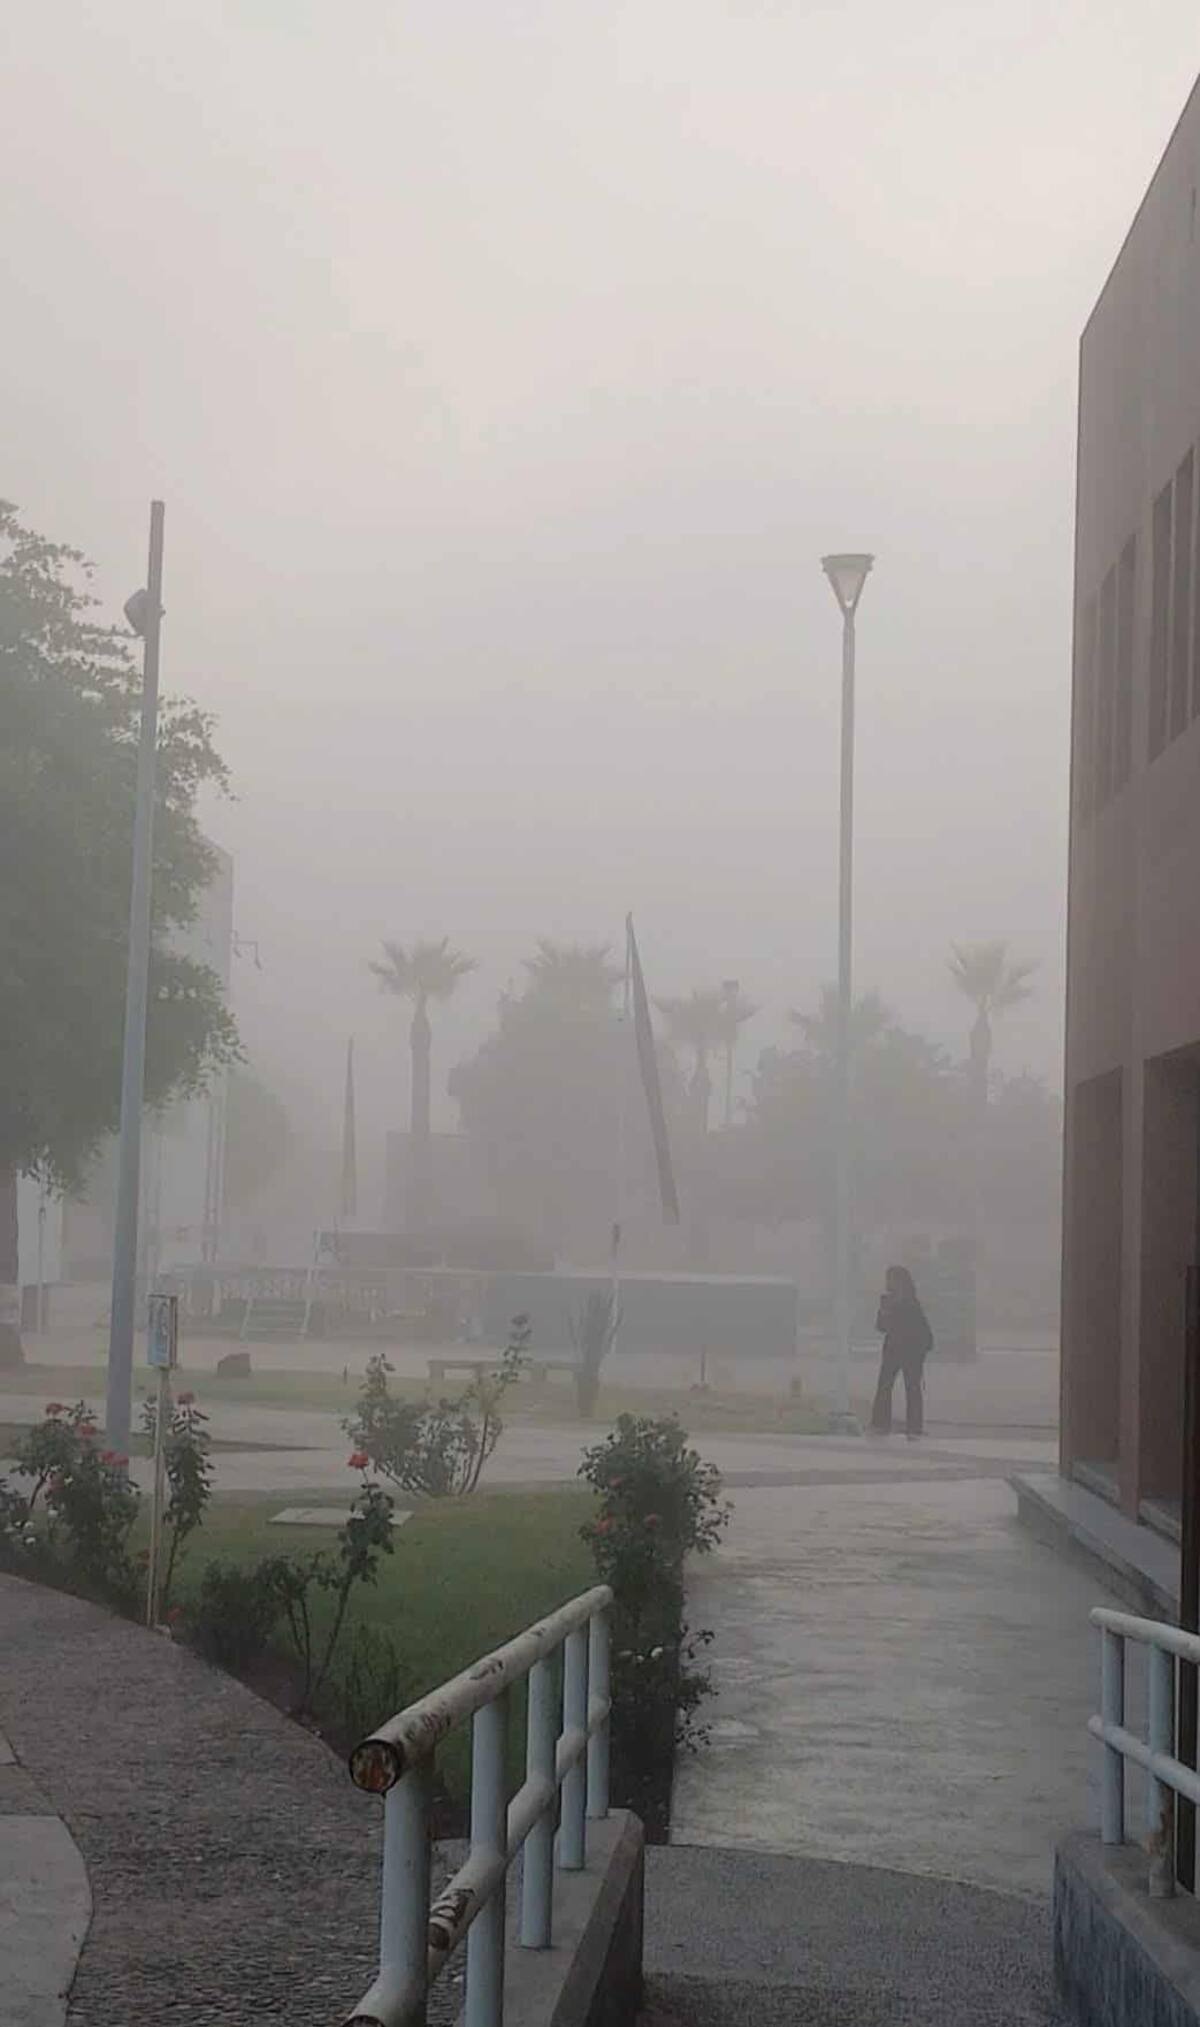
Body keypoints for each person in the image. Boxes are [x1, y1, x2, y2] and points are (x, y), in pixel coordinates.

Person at [870, 1265, 934, 1440]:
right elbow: (881, 1327)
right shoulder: (888, 1300)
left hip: (911, 1350)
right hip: (893, 1349)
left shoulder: (911, 1302)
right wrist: (883, 1312)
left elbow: (919, 1328)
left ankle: (914, 1427)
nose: (888, 1282)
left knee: (912, 1388)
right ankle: (880, 1423)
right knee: (884, 1386)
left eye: (891, 1278)